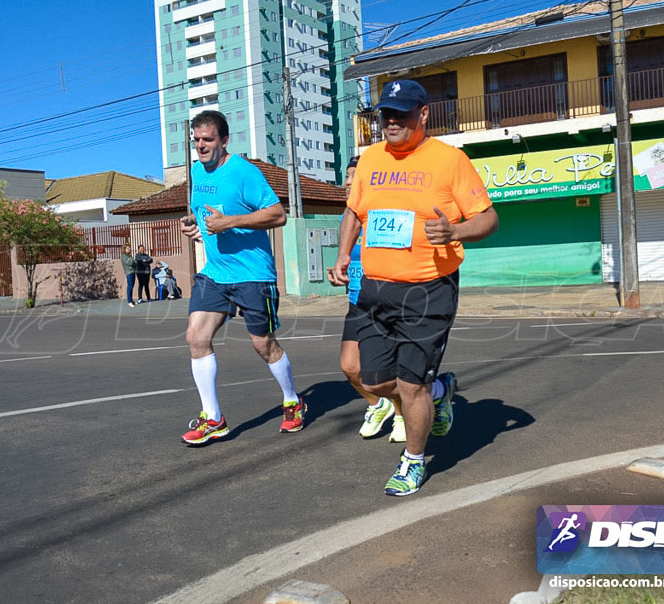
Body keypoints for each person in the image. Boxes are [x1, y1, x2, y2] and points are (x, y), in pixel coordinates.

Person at [332, 79, 499, 496]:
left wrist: (455, 229)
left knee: (410, 386)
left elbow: (488, 219)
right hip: (374, 286)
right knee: (371, 381)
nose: (392, 122)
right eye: (386, 115)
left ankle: (413, 459)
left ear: (423, 114)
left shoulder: (450, 160)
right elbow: (354, 212)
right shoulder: (370, 158)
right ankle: (439, 391)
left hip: (428, 287)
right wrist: (341, 255)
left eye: (402, 114)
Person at [179, 110, 306, 444]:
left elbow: (279, 215)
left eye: (207, 140)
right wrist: (196, 227)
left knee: (263, 344)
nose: (201, 146)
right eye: (196, 140)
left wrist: (230, 222)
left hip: (253, 275)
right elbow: (205, 215)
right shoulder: (196, 171)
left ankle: (292, 400)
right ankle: (214, 418)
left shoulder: (244, 172)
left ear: (224, 140)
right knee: (195, 336)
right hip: (215, 273)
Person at [327, 156, 406, 443]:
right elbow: (346, 257)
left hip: (387, 302)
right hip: (357, 300)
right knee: (350, 367)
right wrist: (339, 270)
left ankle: (401, 414)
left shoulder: (384, 215)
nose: (348, 182)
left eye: (354, 176)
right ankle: (378, 405)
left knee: (387, 371)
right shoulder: (346, 218)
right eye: (346, 176)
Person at [121, 243, 137, 307]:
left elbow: (134, 263)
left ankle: (131, 300)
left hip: (133, 272)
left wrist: (133, 260)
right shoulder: (123, 256)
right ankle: (129, 301)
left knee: (132, 286)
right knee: (130, 287)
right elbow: (130, 263)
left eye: (129, 248)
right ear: (124, 249)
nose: (129, 249)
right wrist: (132, 260)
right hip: (129, 273)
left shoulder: (129, 256)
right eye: (127, 248)